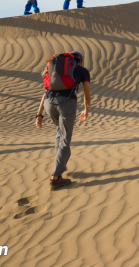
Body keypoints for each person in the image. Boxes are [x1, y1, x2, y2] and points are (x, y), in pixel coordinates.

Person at [35, 51, 91, 189]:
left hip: (49, 104)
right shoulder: (82, 70)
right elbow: (87, 94)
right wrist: (86, 110)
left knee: (60, 132)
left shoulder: (56, 70)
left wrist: (39, 114)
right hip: (66, 103)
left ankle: (60, 164)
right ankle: (56, 177)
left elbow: (45, 91)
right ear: (80, 61)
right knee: (65, 138)